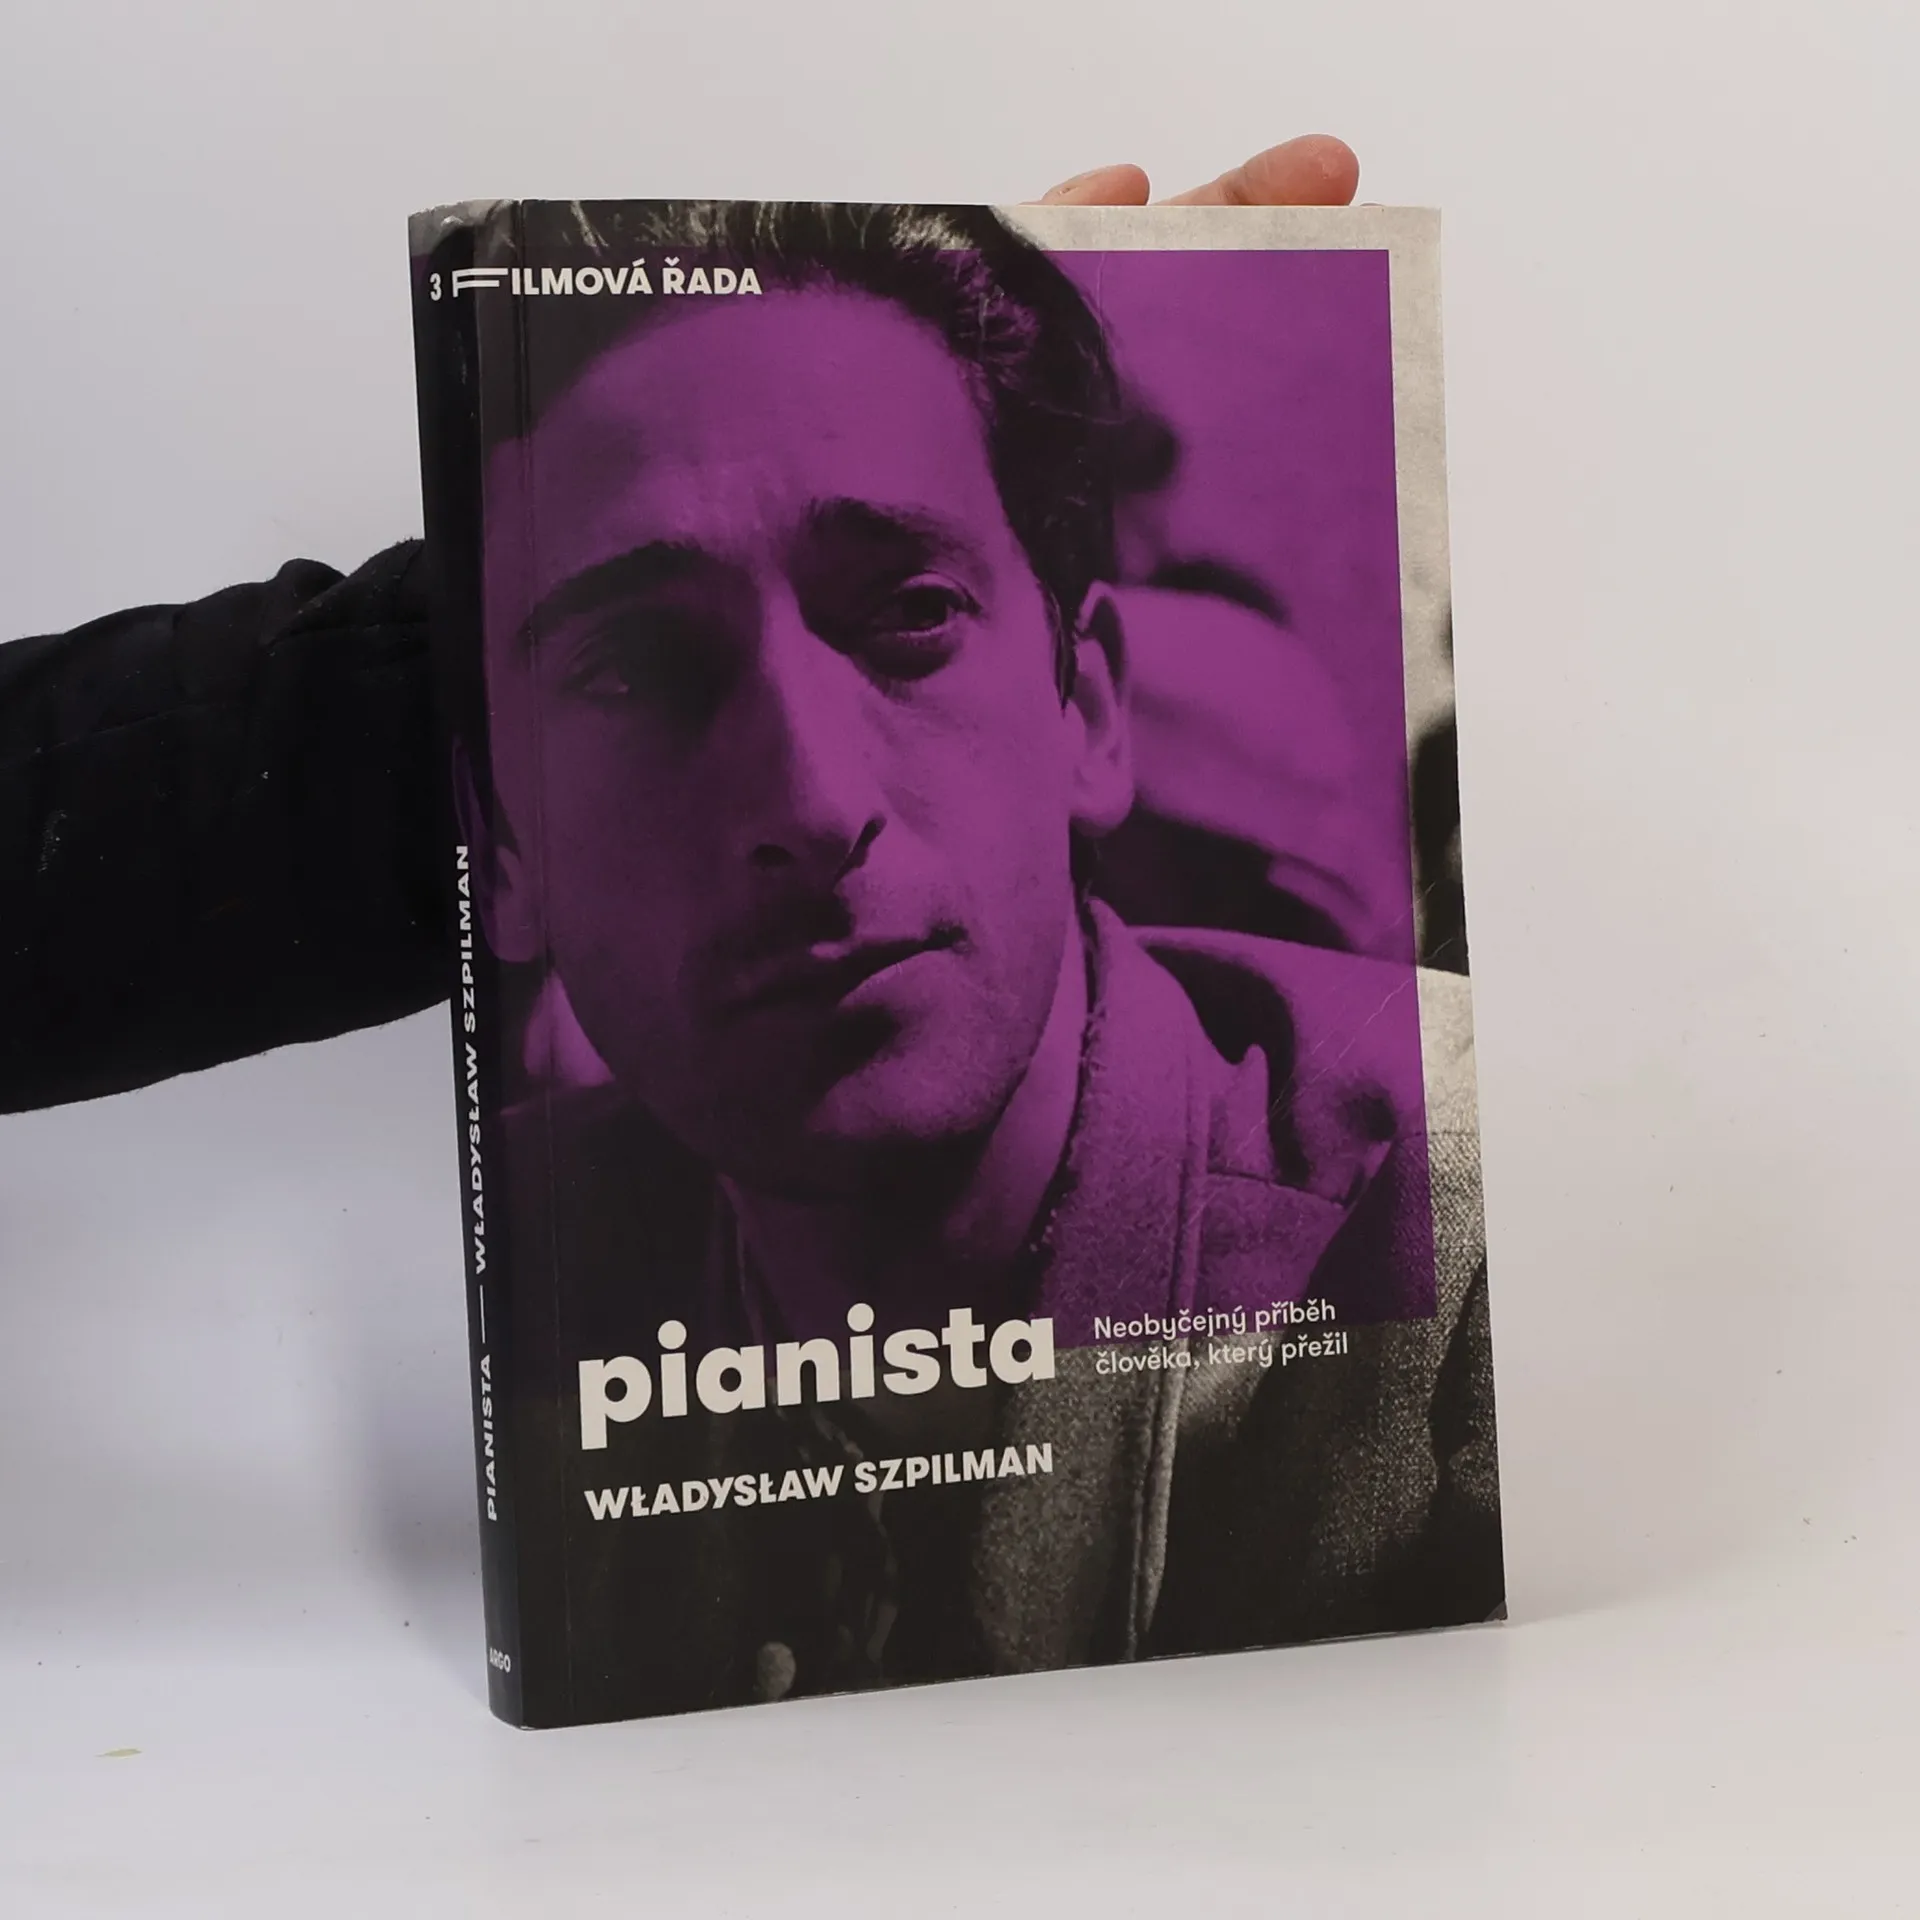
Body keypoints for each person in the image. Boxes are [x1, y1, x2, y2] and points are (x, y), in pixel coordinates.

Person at [0, 142, 1499, 1721]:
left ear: (1090, 709)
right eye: (637, 668)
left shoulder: (1444, 1251)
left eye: (909, 614)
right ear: (500, 839)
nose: (810, 798)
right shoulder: (560, 1274)